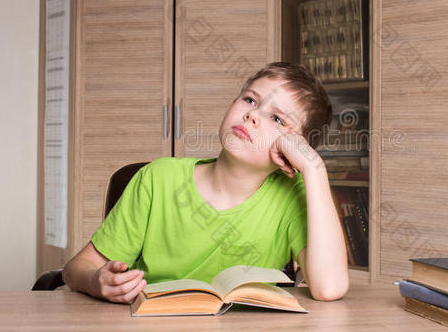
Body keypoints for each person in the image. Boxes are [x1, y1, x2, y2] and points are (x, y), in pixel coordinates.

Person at [62, 62, 349, 303]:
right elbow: (76, 267)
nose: (252, 116)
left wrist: (313, 168)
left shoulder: (292, 195)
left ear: (295, 148)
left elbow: (330, 288)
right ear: (231, 105)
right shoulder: (158, 178)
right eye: (250, 100)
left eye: (277, 119)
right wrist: (95, 280)